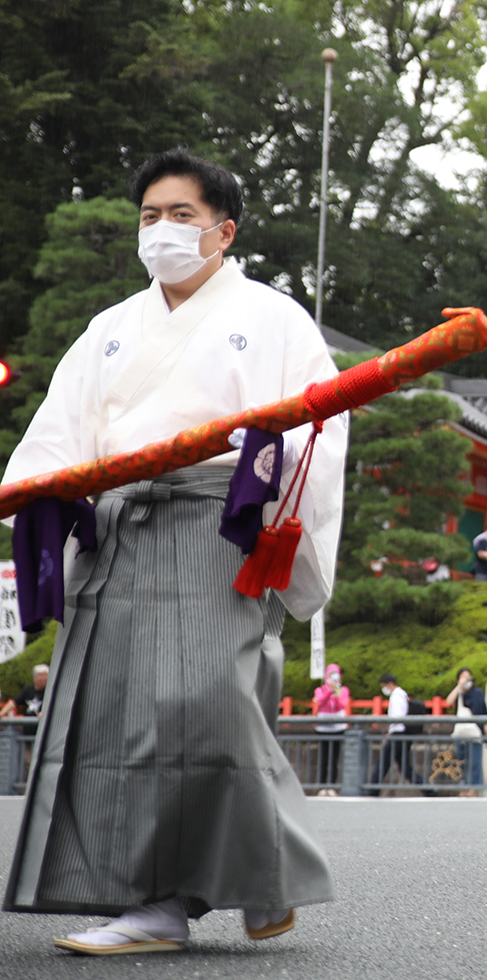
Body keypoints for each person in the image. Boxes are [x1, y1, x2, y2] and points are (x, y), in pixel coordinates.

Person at [2, 149, 347, 954]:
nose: (162, 229)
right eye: (150, 215)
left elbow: (314, 431)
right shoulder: (110, 329)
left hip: (217, 520)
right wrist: (36, 491)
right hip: (118, 524)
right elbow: (56, 435)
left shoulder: (273, 318)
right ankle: (163, 895)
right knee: (114, 710)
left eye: (181, 215)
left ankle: (208, 887)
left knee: (203, 703)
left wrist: (264, 469)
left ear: (223, 232)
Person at [445, 668, 487, 798]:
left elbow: (483, 711)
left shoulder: (477, 693)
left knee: (475, 762)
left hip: (475, 731)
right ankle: (462, 788)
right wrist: (459, 686)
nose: (466, 679)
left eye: (468, 677)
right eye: (463, 677)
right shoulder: (459, 693)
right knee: (460, 762)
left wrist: (485, 730)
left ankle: (473, 789)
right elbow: (448, 702)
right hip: (460, 731)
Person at [311, 664, 351, 797]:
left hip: (338, 727)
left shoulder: (343, 690)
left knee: (334, 758)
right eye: (330, 675)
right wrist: (329, 691)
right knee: (323, 757)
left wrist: (337, 691)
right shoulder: (320, 689)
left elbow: (342, 704)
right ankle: (322, 786)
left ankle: (332, 786)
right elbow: (320, 702)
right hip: (323, 727)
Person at [374, 673, 416, 789]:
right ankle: (429, 790)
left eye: (384, 686)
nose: (384, 689)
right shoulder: (402, 694)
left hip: (397, 734)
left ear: (390, 684)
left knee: (382, 764)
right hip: (400, 733)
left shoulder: (396, 696)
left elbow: (397, 716)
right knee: (405, 768)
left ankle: (372, 789)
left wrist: (391, 731)